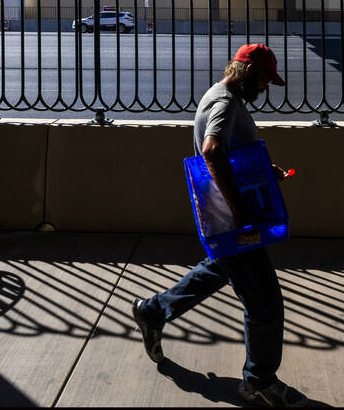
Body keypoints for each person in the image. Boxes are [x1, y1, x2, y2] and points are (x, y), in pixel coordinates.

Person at [130, 43, 308, 408]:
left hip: (226, 221)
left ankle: (153, 310)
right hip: (234, 222)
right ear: (246, 71)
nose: (265, 88)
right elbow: (212, 150)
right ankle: (259, 381)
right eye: (263, 80)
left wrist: (262, 171)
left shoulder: (221, 95)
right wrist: (241, 211)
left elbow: (228, 153)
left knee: (217, 271)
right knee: (265, 305)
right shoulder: (225, 104)